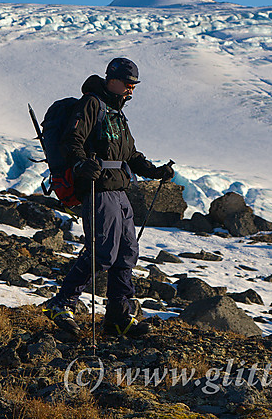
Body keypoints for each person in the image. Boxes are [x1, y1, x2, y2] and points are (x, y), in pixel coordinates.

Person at [42, 57, 174, 338]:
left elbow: (131, 155)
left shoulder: (116, 112)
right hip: (98, 189)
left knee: (127, 252)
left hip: (119, 190)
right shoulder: (92, 104)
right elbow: (72, 141)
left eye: (134, 86)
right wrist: (80, 165)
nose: (131, 91)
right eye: (128, 84)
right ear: (112, 79)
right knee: (102, 252)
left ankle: (118, 316)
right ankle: (62, 303)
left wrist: (155, 171)